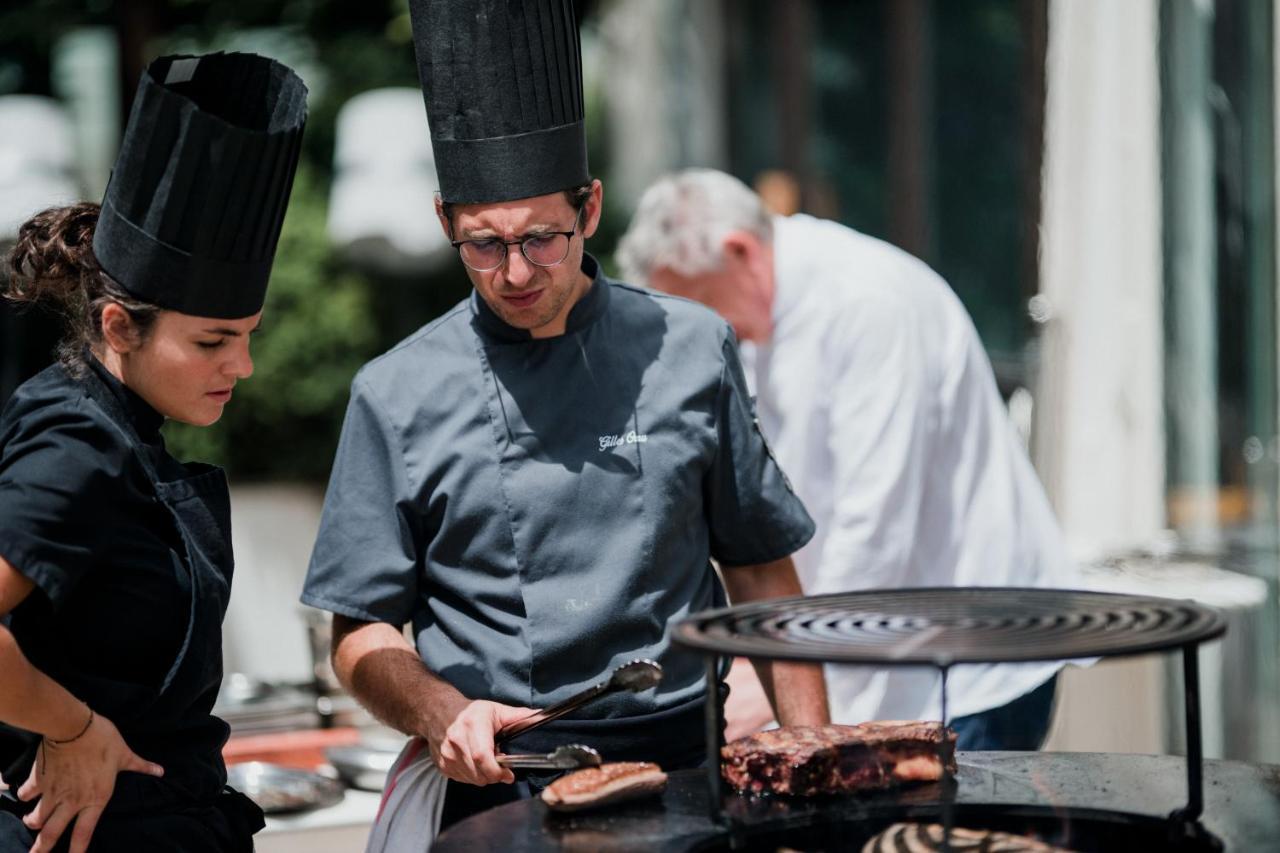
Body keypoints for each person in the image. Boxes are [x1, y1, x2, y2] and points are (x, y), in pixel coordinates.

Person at [300, 0, 828, 842]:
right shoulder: (394, 390)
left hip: (685, 769)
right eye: (481, 244)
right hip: (498, 781)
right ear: (445, 222)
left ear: (589, 208)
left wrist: (810, 758)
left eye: (541, 238)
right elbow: (360, 632)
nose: (514, 272)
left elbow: (764, 572)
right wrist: (442, 711)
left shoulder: (690, 347)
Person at [617, 168, 1080, 751]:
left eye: (702, 306)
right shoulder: (762, 309)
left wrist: (779, 679)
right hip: (865, 646)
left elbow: (875, 526)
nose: (703, 331)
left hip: (970, 662)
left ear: (740, 252)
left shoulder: (867, 303)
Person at [0, 52, 306, 852]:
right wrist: (70, 729)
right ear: (117, 328)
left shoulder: (114, 423)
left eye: (246, 338)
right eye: (211, 342)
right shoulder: (77, 441)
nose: (239, 367)